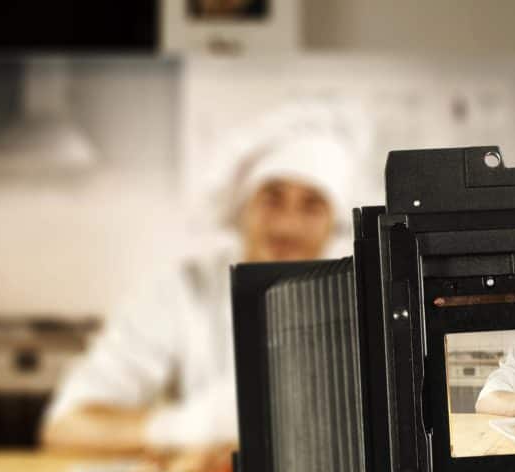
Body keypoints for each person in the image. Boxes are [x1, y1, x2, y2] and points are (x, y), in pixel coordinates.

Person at [42, 104, 366, 454]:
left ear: (335, 222)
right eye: (272, 199)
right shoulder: (180, 292)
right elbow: (67, 427)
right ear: (242, 206)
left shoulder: (365, 299)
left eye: (312, 205)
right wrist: (187, 427)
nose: (287, 224)